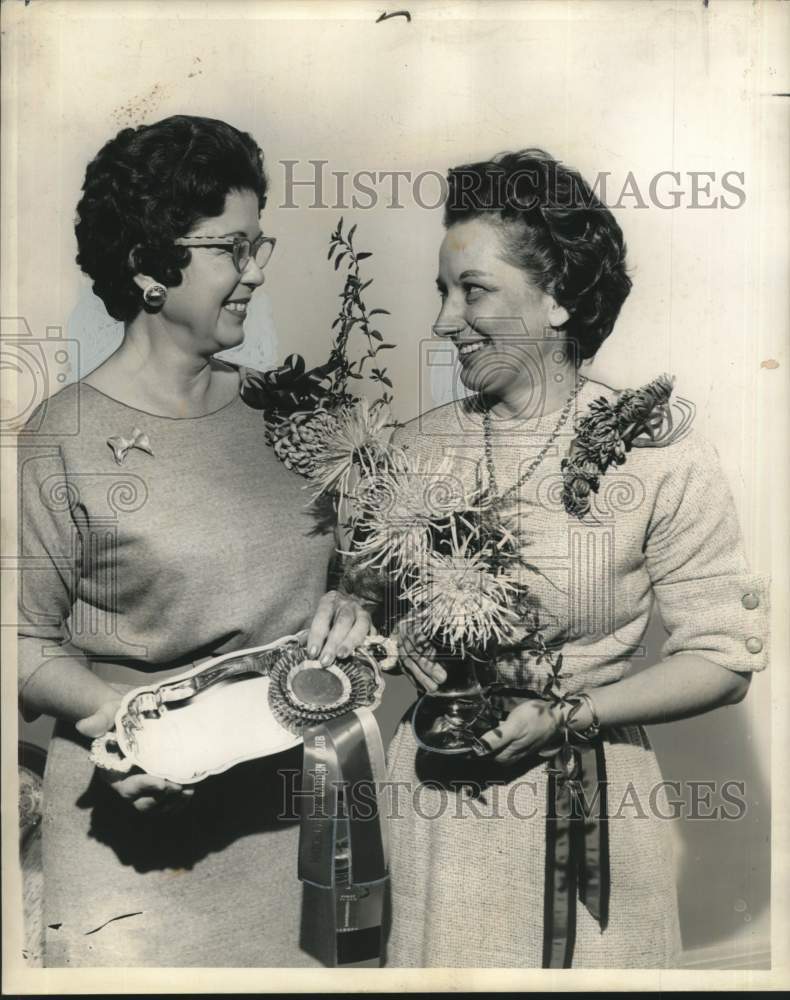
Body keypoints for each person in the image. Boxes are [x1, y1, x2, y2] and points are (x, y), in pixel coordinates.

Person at [382, 149, 769, 968]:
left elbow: (721, 658)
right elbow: (373, 621)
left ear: (558, 298)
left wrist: (570, 714)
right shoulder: (412, 451)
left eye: (473, 290)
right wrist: (383, 636)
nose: (445, 320)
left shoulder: (659, 455)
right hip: (437, 815)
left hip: (594, 810)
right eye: (442, 292)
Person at [16, 114, 370, 967]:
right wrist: (141, 733)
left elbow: (361, 582)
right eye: (231, 248)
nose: (255, 272)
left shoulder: (297, 415)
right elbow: (21, 642)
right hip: (135, 847)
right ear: (146, 264)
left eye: (261, 245)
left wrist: (353, 605)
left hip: (302, 833)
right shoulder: (60, 435)